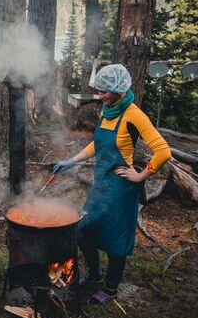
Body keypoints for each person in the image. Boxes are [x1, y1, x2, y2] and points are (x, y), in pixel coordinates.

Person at [52, 64, 172, 305]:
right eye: (99, 90)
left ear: (120, 89)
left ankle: (110, 288)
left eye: (105, 91)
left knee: (116, 241)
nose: (101, 95)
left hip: (121, 189)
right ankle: (95, 276)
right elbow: (98, 145)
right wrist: (71, 161)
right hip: (102, 185)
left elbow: (163, 152)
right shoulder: (107, 111)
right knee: (83, 230)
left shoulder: (134, 114)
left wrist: (141, 176)